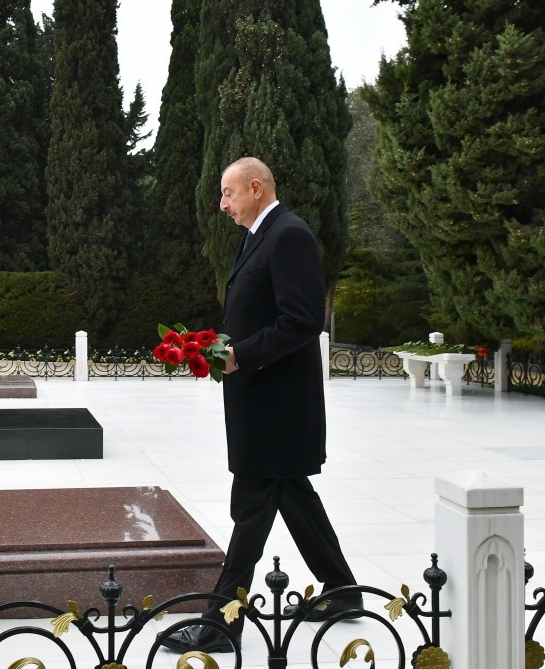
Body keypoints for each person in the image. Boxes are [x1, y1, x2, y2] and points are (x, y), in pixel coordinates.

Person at [161, 157, 362, 654]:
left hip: (279, 407)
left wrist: (240, 355)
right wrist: (218, 346)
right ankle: (344, 594)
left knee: (250, 508)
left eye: (228, 195)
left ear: (256, 188)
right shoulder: (258, 236)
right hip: (264, 401)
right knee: (292, 495)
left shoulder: (289, 235)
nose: (224, 206)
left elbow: (302, 320)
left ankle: (220, 623)